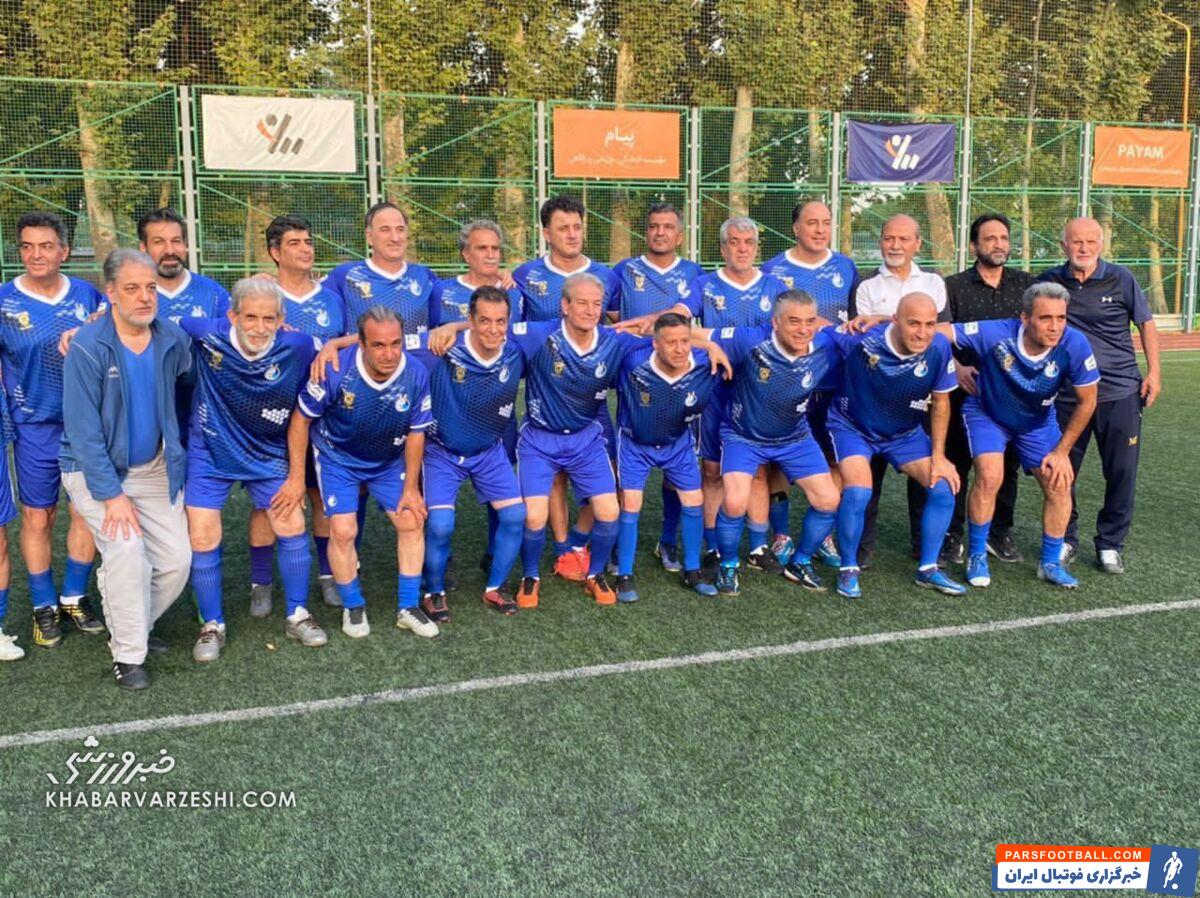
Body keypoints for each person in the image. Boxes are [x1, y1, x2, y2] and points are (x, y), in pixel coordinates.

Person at [60, 249, 193, 689]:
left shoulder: (172, 339)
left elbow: (190, 380)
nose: (144, 297)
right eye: (132, 288)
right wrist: (112, 495)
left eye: (150, 287)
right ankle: (129, 655)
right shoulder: (88, 345)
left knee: (176, 560)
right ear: (111, 293)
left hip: (153, 467)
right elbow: (82, 432)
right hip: (94, 469)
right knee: (127, 550)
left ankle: (131, 624)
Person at [180, 279, 323, 662]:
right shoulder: (205, 333)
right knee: (202, 534)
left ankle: (297, 613)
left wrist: (296, 476)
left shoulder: (298, 345)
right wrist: (97, 320)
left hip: (266, 450)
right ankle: (212, 624)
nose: (260, 327)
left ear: (282, 319)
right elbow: (146, 322)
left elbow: (341, 350)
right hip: (211, 449)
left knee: (290, 522)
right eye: (251, 317)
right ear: (232, 316)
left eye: (269, 318)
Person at [490, 272, 644, 607]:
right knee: (534, 517)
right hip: (539, 440)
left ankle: (595, 574)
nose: (590, 310)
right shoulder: (539, 334)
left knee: (609, 511)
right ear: (565, 305)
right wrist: (450, 328)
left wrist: (706, 344)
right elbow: (491, 331)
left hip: (585, 440)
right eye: (582, 303)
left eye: (596, 304)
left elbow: (665, 338)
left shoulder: (613, 340)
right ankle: (531, 576)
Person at [283, 306, 437, 639]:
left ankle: (408, 607)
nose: (389, 353)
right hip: (338, 458)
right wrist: (296, 477)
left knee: (411, 519)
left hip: (387, 460)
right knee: (343, 530)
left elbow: (416, 433)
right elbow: (300, 419)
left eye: (395, 344)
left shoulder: (415, 373)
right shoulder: (334, 370)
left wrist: (411, 488)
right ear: (361, 344)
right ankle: (353, 606)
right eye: (378, 345)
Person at [944, 283, 1099, 590]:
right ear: (1025, 318)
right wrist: (956, 366)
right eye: (1045, 318)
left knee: (1059, 483)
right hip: (988, 414)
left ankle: (1050, 563)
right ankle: (977, 554)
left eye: (1061, 318)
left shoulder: (1074, 343)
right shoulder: (996, 333)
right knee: (990, 476)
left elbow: (1088, 400)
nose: (1055, 326)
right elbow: (934, 332)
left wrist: (1061, 452)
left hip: (1037, 422)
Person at [693, 290, 842, 596]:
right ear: (775, 322)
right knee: (734, 502)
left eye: (810, 321)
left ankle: (800, 561)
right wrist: (710, 345)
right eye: (794, 321)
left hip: (794, 437)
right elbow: (685, 331)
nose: (803, 329)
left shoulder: (827, 343)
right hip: (742, 436)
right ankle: (728, 564)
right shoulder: (750, 340)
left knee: (828, 499)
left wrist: (875, 319)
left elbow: (886, 332)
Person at [0, 211, 103, 647]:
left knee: (87, 511)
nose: (36, 255)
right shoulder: (5, 301)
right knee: (39, 516)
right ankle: (43, 606)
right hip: (34, 426)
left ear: (64, 251)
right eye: (27, 247)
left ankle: (74, 596)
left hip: (85, 422)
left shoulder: (88, 295)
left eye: (46, 246)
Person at [1037, 217, 1161, 574]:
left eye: (1091, 242)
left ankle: (1110, 544)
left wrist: (1154, 372)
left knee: (1121, 472)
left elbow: (1146, 323)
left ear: (1101, 245)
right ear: (1063, 245)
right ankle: (1065, 538)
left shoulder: (1121, 278)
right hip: (1066, 395)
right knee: (1062, 471)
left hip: (1119, 391)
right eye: (1077, 242)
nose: (1084, 248)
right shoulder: (1048, 281)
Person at [826, 292, 965, 599]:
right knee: (858, 492)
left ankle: (928, 568)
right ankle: (848, 567)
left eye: (930, 324)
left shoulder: (939, 347)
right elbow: (817, 328)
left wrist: (939, 456)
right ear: (895, 320)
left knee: (943, 486)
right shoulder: (861, 339)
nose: (922, 333)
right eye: (914, 323)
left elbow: (941, 402)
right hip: (852, 428)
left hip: (904, 433)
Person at [512, 196, 620, 582]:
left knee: (610, 476)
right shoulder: (524, 275)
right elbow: (509, 330)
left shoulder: (606, 275)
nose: (572, 234)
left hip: (591, 396)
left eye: (577, 227)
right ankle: (563, 550)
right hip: (548, 394)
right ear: (546, 233)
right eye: (563, 228)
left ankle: (579, 541)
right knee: (553, 475)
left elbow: (617, 326)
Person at [408, 286, 527, 619]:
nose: (493, 329)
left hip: (489, 451)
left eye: (500, 321)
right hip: (442, 452)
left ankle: (495, 587)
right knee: (440, 525)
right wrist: (332, 345)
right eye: (484, 321)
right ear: (471, 321)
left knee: (515, 516)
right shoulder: (441, 346)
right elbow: (383, 341)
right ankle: (433, 591)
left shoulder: (516, 350)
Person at [763, 199, 861, 568]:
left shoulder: (846, 267)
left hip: (834, 383)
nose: (820, 230)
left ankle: (824, 536)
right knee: (777, 459)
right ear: (795, 228)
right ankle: (781, 534)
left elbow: (855, 324)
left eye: (825, 222)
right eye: (811, 222)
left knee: (834, 457)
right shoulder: (774, 269)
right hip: (787, 382)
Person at [608, 202, 703, 576]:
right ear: (645, 232)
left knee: (677, 466)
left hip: (681, 380)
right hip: (638, 381)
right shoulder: (624, 271)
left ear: (679, 235)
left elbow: (694, 320)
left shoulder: (694, 274)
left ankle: (667, 540)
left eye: (667, 226)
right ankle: (619, 546)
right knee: (629, 465)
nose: (660, 232)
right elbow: (609, 314)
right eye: (653, 226)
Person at [690, 216, 788, 577]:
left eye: (749, 242)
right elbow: (677, 324)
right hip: (716, 389)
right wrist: (712, 345)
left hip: (761, 392)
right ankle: (712, 547)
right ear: (722, 248)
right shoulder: (704, 285)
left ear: (757, 248)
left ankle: (758, 546)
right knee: (712, 470)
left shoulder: (775, 287)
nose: (742, 249)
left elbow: (792, 327)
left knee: (758, 468)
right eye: (734, 242)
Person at [428, 219, 524, 577]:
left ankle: (493, 551)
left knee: (501, 477)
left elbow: (514, 337)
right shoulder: (441, 291)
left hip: (497, 405)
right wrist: (453, 326)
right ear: (465, 254)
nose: (490, 255)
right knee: (438, 499)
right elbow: (434, 337)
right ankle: (441, 561)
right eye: (482, 248)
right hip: (452, 406)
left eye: (496, 248)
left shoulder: (513, 291)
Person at [852, 214, 948, 567]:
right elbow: (865, 336)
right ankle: (862, 548)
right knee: (868, 477)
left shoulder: (934, 283)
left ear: (917, 244)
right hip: (876, 395)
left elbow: (940, 331)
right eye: (889, 238)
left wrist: (884, 317)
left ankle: (924, 546)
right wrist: (883, 321)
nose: (895, 245)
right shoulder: (866, 286)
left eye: (903, 239)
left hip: (921, 390)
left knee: (926, 476)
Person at [264, 214, 350, 610]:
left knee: (320, 497)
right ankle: (261, 581)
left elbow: (351, 343)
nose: (305, 249)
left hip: (322, 416)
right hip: (271, 415)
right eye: (294, 243)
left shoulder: (331, 298)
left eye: (308, 242)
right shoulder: (264, 296)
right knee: (269, 500)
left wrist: (335, 345)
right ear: (275, 253)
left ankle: (328, 575)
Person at [938, 213, 1033, 565]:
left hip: (1012, 397)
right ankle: (952, 535)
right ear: (974, 245)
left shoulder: (1027, 286)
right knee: (957, 463)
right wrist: (957, 367)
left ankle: (998, 532)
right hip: (965, 393)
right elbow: (937, 337)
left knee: (1006, 467)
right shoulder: (952, 287)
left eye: (1003, 238)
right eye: (990, 238)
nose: (998, 244)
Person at [613, 312, 720, 601]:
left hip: (678, 443)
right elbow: (607, 338)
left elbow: (734, 347)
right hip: (635, 443)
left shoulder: (705, 362)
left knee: (694, 500)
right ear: (655, 344)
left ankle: (692, 570)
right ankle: (624, 574)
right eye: (671, 342)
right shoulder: (633, 361)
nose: (679, 348)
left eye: (685, 341)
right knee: (631, 502)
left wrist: (712, 346)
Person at [325, 202, 437, 332]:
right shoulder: (345, 276)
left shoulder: (424, 276)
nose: (395, 238)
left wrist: (451, 327)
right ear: (369, 237)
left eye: (400, 229)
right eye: (385, 230)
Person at [138, 207, 231, 324]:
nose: (170, 251)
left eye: (176, 241)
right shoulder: (129, 296)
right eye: (159, 242)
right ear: (143, 247)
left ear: (185, 244)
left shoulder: (214, 293)